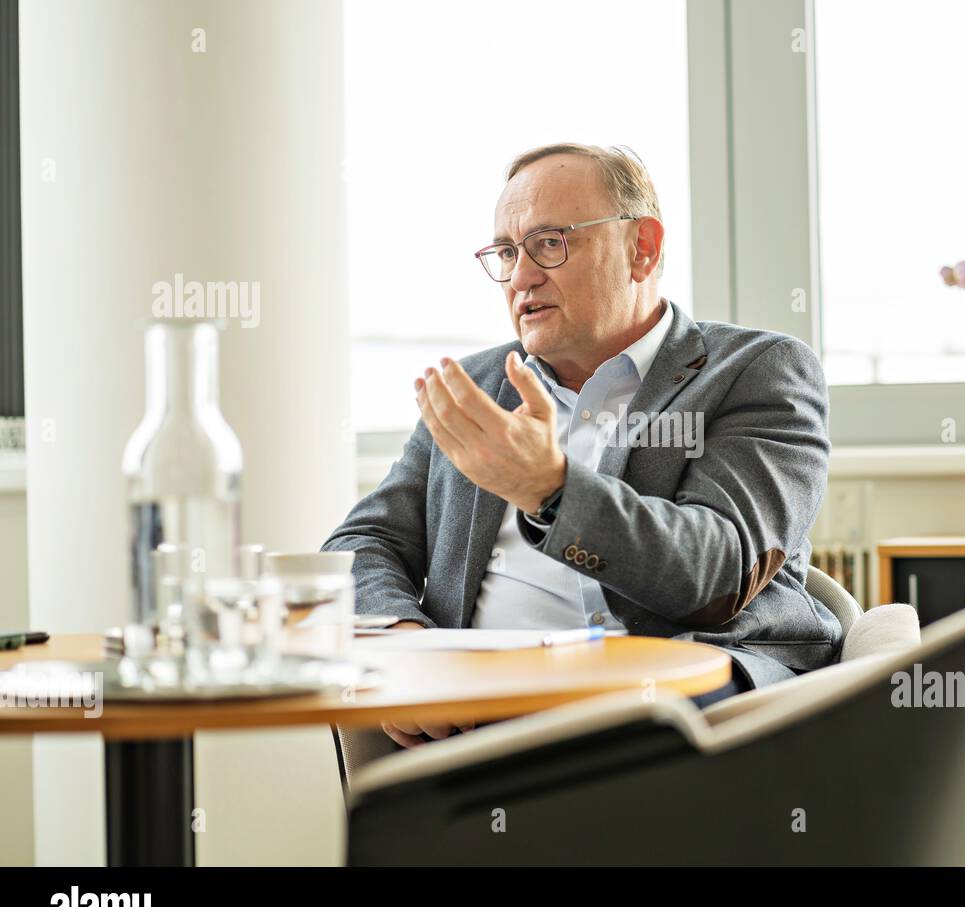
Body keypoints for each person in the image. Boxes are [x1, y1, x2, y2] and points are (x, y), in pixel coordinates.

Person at [323, 143, 841, 748]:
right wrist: (406, 644)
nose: (521, 277)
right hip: (480, 710)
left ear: (641, 248)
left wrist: (551, 491)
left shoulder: (755, 370)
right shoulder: (479, 390)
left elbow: (718, 574)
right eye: (508, 253)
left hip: (678, 703)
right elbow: (361, 544)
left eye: (549, 243)